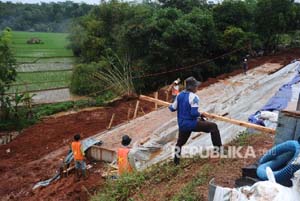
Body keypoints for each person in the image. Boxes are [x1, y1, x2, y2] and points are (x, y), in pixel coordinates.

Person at [169, 76, 223, 165]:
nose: (197, 88)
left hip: (182, 124)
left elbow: (172, 108)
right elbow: (194, 113)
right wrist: (201, 114)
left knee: (180, 143)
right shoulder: (194, 97)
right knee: (213, 127)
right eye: (196, 86)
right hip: (191, 123)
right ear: (192, 87)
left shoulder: (179, 96)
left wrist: (171, 103)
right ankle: (218, 151)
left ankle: (176, 162)